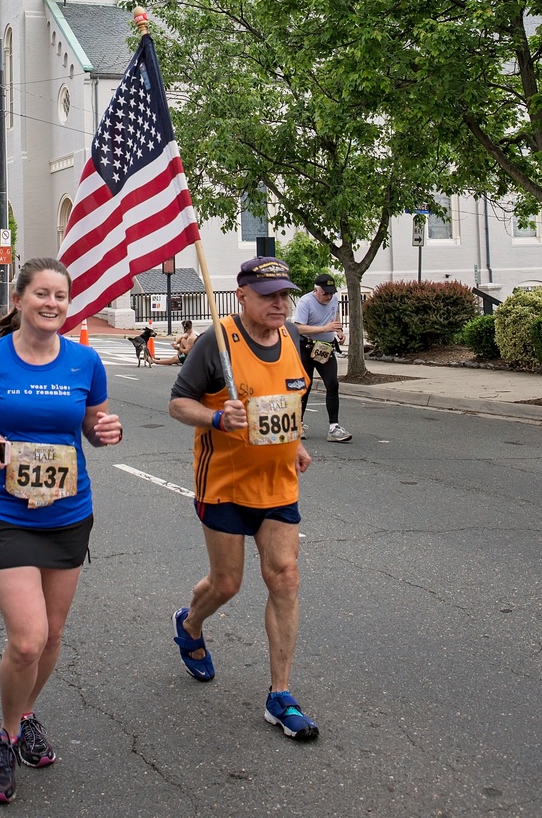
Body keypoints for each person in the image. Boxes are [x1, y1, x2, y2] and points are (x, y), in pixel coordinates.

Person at [0, 257, 123, 804]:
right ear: (19, 300)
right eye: (41, 294)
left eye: (61, 297)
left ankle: (24, 712)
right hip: (1, 510)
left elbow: (94, 428)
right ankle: (8, 735)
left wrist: (106, 430)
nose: (52, 304)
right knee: (28, 639)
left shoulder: (86, 363)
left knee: (54, 635)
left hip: (67, 512)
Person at [168, 256, 319, 742]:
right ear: (242, 298)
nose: (280, 303)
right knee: (227, 584)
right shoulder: (217, 342)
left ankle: (281, 695)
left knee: (285, 577)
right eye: (269, 295)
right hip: (225, 485)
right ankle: (190, 624)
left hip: (277, 484)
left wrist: (294, 441)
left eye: (284, 294)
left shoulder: (294, 337)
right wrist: (215, 419)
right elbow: (178, 402)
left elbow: (290, 398)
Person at [293, 274, 352, 443]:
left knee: (332, 384)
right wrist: (325, 328)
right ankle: (298, 424)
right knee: (305, 385)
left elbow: (336, 315)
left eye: (331, 293)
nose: (328, 296)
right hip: (306, 346)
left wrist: (339, 331)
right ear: (316, 289)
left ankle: (334, 427)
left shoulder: (334, 300)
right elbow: (298, 328)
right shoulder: (305, 302)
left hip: (325, 348)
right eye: (325, 293)